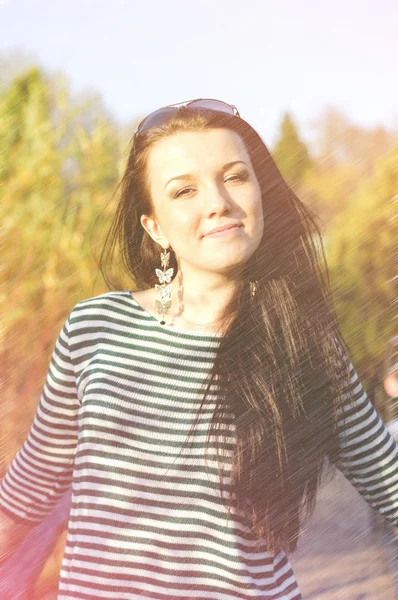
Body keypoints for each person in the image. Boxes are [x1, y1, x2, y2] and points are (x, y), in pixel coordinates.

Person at [0, 98, 397, 600]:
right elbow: (27, 492)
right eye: (184, 190)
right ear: (155, 227)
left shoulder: (305, 349)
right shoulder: (94, 328)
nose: (217, 202)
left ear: (261, 195)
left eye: (234, 177)